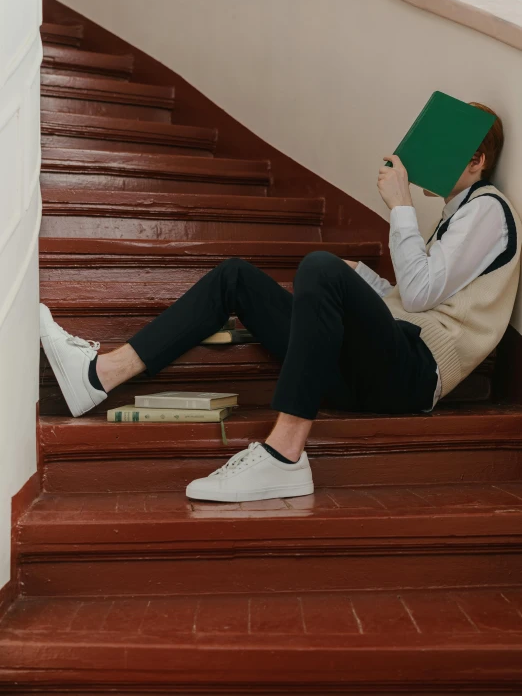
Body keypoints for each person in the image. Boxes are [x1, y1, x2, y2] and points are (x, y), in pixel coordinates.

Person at [40, 103, 521, 503]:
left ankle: (285, 454)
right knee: (238, 277)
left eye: (442, 151)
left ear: (476, 160)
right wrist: (366, 280)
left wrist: (399, 206)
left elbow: (419, 298)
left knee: (318, 265)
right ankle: (99, 376)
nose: (425, 161)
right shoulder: (454, 215)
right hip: (372, 368)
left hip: (414, 374)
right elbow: (415, 296)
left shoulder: (488, 209)